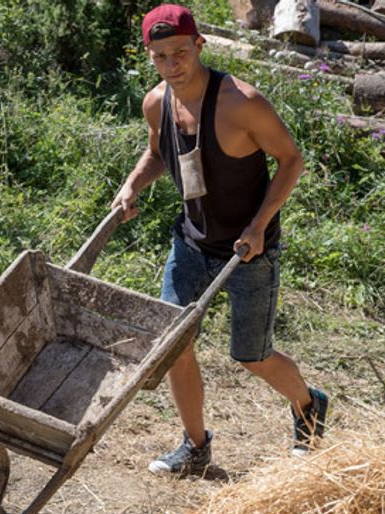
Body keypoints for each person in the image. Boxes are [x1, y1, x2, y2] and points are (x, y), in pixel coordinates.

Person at [110, 3, 329, 475]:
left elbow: (292, 160)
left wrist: (259, 224)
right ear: (149, 56)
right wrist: (131, 185)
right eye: (161, 55)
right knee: (175, 345)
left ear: (200, 46)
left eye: (181, 52)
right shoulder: (156, 103)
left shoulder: (241, 102)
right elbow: (158, 155)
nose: (173, 64)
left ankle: (310, 405)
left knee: (252, 355)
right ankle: (195, 446)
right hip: (192, 244)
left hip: (250, 252)